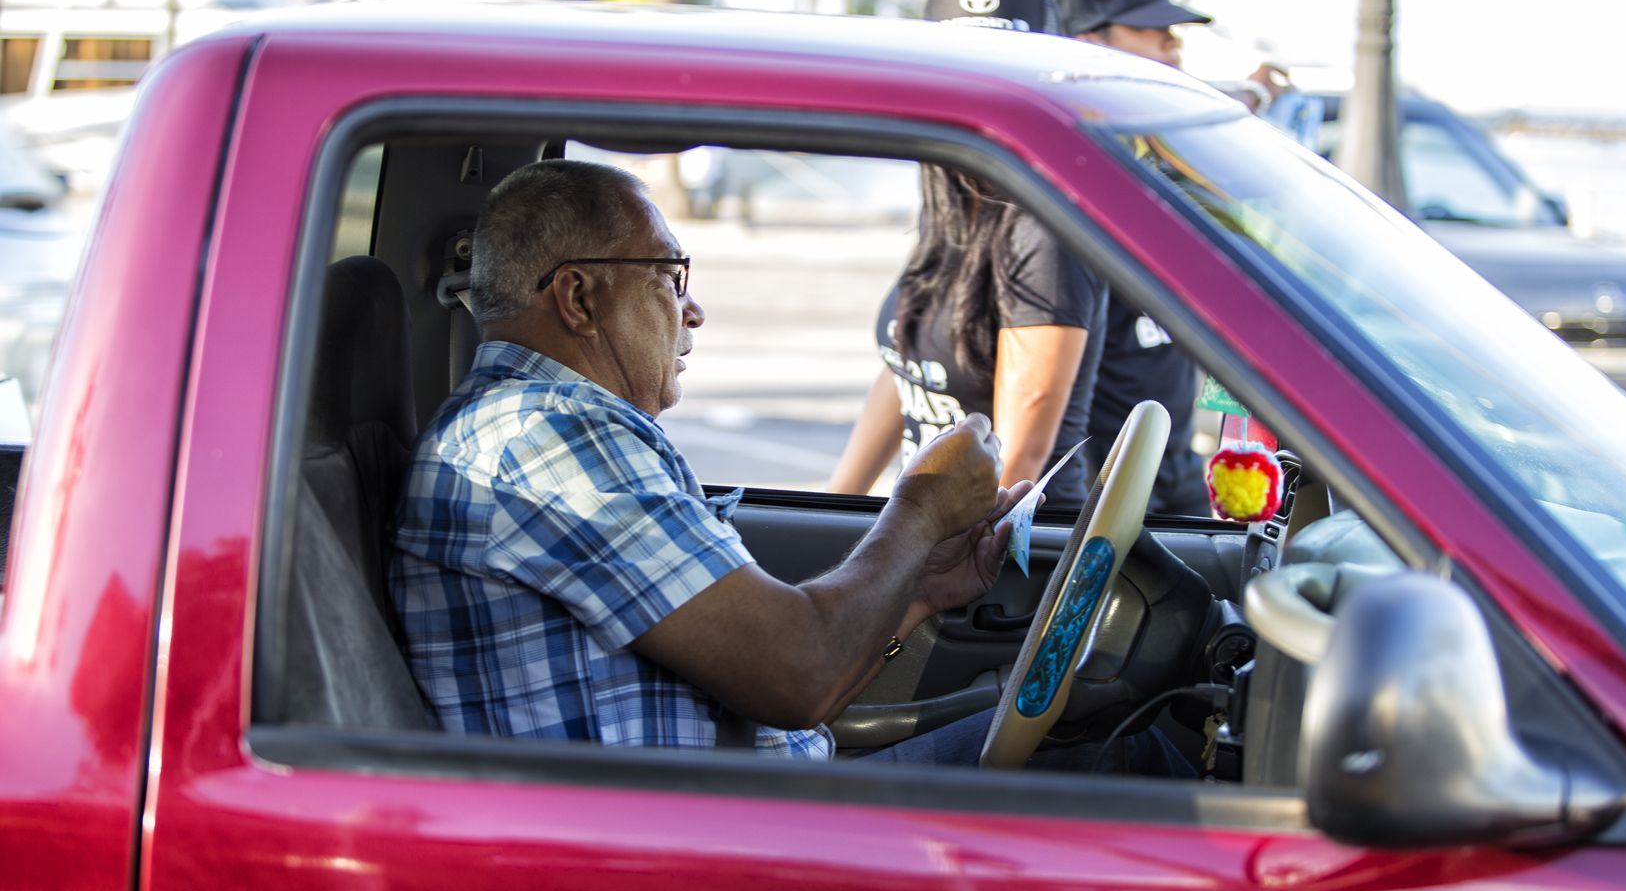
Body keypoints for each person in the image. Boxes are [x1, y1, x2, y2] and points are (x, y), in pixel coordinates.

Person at [389, 158, 1189, 777]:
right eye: (672, 278)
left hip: (742, 803)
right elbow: (795, 673)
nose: (693, 309)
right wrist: (918, 507)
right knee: (1127, 750)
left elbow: (780, 684)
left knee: (1087, 727)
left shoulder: (556, 429)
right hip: (702, 850)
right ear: (578, 298)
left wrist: (917, 591)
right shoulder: (543, 440)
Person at [828, 0, 1108, 510]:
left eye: (1002, 72)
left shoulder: (1044, 230)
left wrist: (904, 563)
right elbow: (910, 364)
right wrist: (835, 507)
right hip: (926, 528)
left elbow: (1014, 465)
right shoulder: (951, 203)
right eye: (958, 70)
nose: (976, 95)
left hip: (1000, 553)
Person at [1052, 0, 1218, 514]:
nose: (1172, 45)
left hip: (1176, 471)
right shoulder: (1064, 182)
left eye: (1173, 33)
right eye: (1153, 31)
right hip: (1103, 489)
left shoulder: (1159, 161)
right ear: (1089, 43)